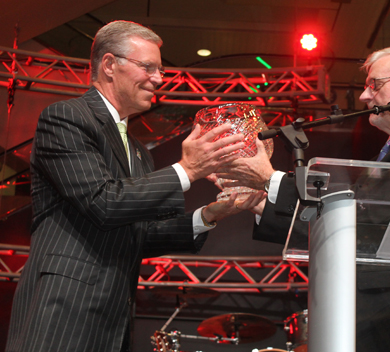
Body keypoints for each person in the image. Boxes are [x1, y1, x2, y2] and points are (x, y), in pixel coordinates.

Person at [5, 20, 265, 352]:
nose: (159, 78)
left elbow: (139, 235)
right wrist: (187, 169)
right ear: (110, 65)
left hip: (114, 316)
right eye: (149, 67)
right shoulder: (66, 118)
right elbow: (103, 202)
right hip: (63, 308)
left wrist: (211, 214)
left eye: (160, 69)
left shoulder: (139, 152)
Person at [218, 46, 390, 351]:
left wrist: (269, 177)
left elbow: (372, 223)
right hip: (377, 319)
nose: (365, 97)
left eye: (374, 84)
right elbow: (353, 227)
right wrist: (261, 200)